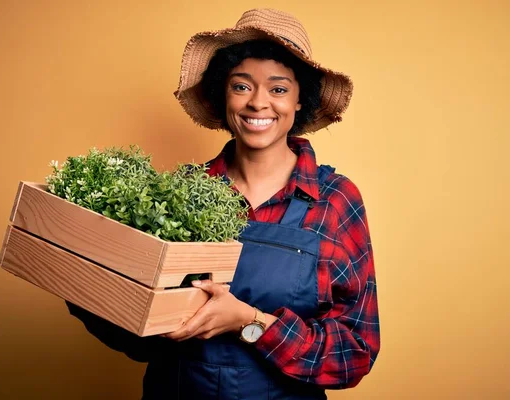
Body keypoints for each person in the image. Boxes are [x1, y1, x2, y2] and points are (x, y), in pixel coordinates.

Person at [66, 8, 380, 399]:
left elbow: (355, 352)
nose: (258, 103)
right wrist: (82, 277)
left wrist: (250, 322)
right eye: (242, 86)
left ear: (300, 100)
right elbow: (141, 342)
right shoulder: (179, 193)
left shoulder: (333, 201)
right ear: (223, 93)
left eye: (278, 89)